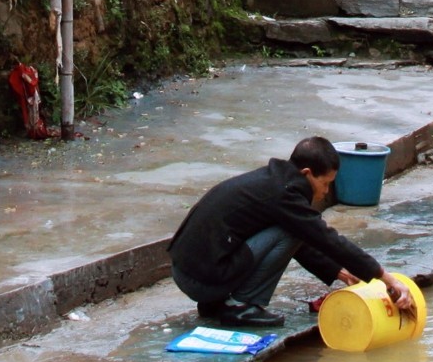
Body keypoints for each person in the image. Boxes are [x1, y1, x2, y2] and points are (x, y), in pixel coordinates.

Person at [168, 136, 414, 330]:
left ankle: (219, 304)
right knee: (295, 231)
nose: (326, 192)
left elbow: (303, 240)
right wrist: (387, 278)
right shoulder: (284, 194)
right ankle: (242, 305)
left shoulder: (274, 183)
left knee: (294, 229)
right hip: (201, 280)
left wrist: (338, 271)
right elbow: (325, 239)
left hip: (190, 271)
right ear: (307, 173)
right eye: (325, 183)